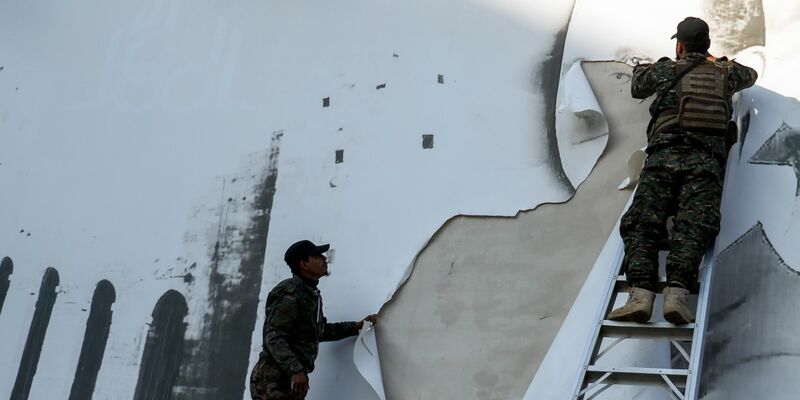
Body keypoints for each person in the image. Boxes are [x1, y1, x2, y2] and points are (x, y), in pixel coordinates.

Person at [609, 17, 757, 324]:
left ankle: (640, 295)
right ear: (708, 46)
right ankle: (676, 295)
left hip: (663, 158)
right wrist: (717, 61)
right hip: (705, 163)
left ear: (679, 45)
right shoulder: (725, 73)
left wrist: (651, 65)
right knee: (693, 226)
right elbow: (750, 74)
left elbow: (638, 86)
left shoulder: (665, 71)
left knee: (642, 223)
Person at [250, 240, 378, 399]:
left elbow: (319, 331)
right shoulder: (289, 293)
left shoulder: (310, 293)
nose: (324, 259)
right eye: (318, 256)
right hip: (273, 379)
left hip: (290, 379)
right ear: (304, 264)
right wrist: (296, 370)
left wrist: (356, 327)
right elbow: (274, 336)